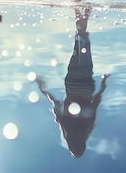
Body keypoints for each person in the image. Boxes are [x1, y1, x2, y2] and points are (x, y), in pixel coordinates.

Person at [36, 8, 109, 158]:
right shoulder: (65, 124)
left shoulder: (88, 123)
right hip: (70, 82)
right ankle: (80, 15)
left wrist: (104, 81)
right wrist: (42, 88)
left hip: (85, 81)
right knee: (78, 45)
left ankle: (83, 15)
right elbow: (54, 101)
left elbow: (97, 99)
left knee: (83, 45)